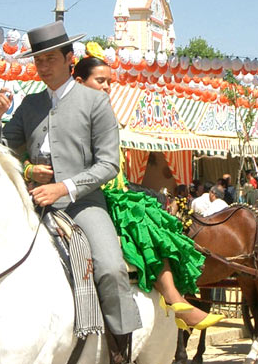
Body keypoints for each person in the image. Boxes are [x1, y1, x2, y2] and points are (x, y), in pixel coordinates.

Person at [0, 21, 140, 363]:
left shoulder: (96, 103)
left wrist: (63, 187)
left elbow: (108, 165)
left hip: (83, 204)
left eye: (50, 58)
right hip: (33, 201)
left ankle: (120, 351)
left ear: (70, 59)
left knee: (111, 269)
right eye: (37, 60)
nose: (42, 66)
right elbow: (3, 153)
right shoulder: (29, 105)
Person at [68, 41, 222, 331]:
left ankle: (175, 297)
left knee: (159, 214)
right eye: (100, 81)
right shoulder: (73, 118)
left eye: (109, 82)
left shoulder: (103, 116)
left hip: (115, 192)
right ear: (79, 82)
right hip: (89, 197)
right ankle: (174, 299)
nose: (107, 87)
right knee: (140, 216)